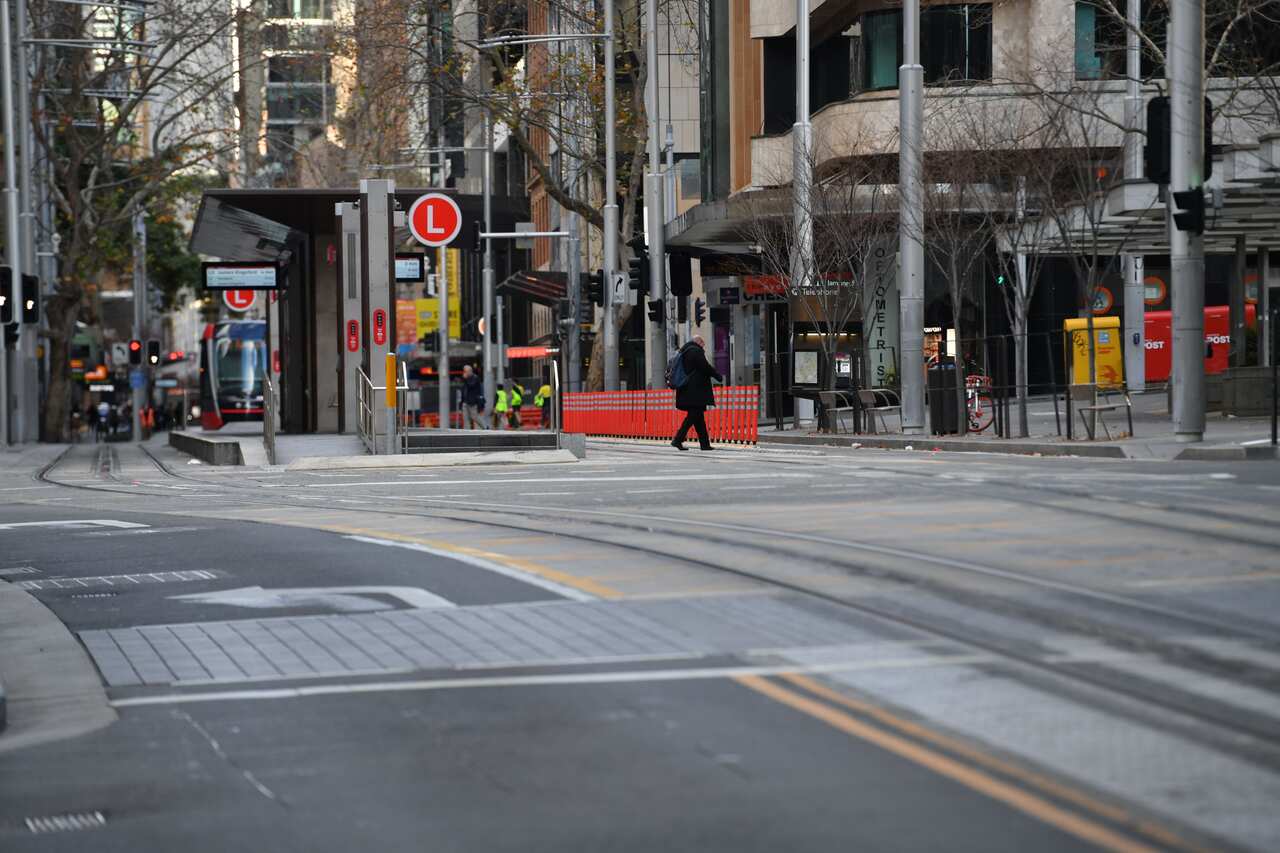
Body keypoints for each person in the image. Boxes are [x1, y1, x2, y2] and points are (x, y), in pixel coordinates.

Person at [671, 334, 723, 451]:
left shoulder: (685, 351)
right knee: (693, 416)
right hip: (695, 391)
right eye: (703, 344)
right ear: (698, 342)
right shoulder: (695, 351)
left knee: (698, 417)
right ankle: (678, 439)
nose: (703, 347)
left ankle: (704, 444)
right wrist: (717, 375)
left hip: (687, 390)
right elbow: (705, 367)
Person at [460, 364, 485, 429]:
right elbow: (464, 389)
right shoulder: (466, 378)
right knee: (465, 418)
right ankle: (467, 432)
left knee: (474, 417)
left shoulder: (475, 378)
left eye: (466, 371)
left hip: (472, 402)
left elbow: (471, 386)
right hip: (465, 401)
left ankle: (485, 427)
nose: (465, 373)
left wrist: (465, 379)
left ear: (470, 371)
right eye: (464, 371)